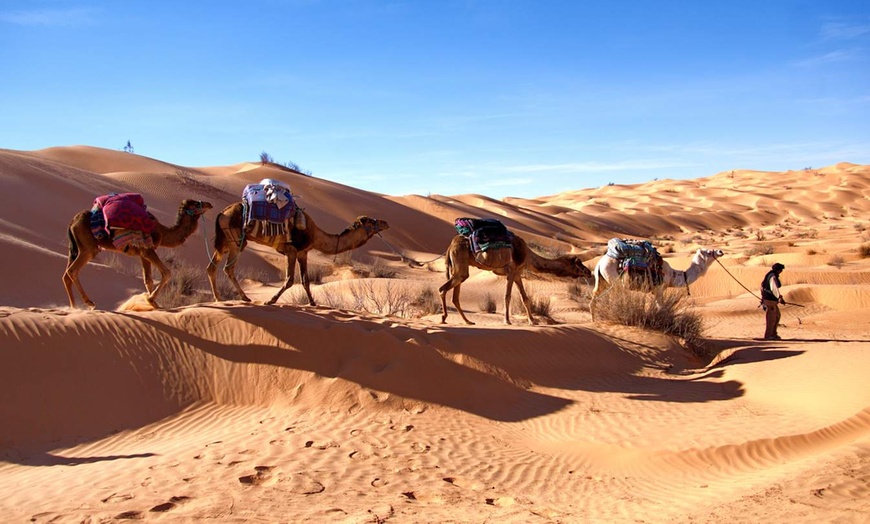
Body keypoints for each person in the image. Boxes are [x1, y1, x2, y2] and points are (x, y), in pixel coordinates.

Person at [760, 263, 786, 340]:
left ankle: (773, 334)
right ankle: (769, 335)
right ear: (778, 270)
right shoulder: (772, 277)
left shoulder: (770, 275)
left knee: (777, 316)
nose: (781, 271)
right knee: (771, 318)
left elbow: (762, 286)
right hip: (770, 300)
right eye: (781, 270)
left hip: (770, 300)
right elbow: (774, 288)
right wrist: (779, 298)